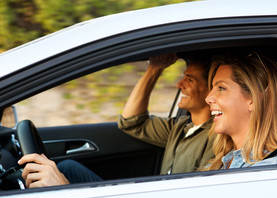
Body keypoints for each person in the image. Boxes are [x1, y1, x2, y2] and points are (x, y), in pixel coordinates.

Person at [18, 52, 215, 188]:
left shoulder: (215, 138)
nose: (179, 84)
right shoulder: (179, 127)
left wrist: (63, 188)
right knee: (67, 167)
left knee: (61, 179)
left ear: (210, 89)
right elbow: (131, 121)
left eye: (189, 79)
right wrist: (154, 69)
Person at [204, 53, 277, 170]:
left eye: (221, 88)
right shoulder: (223, 161)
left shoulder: (271, 168)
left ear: (253, 99)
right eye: (212, 88)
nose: (208, 98)